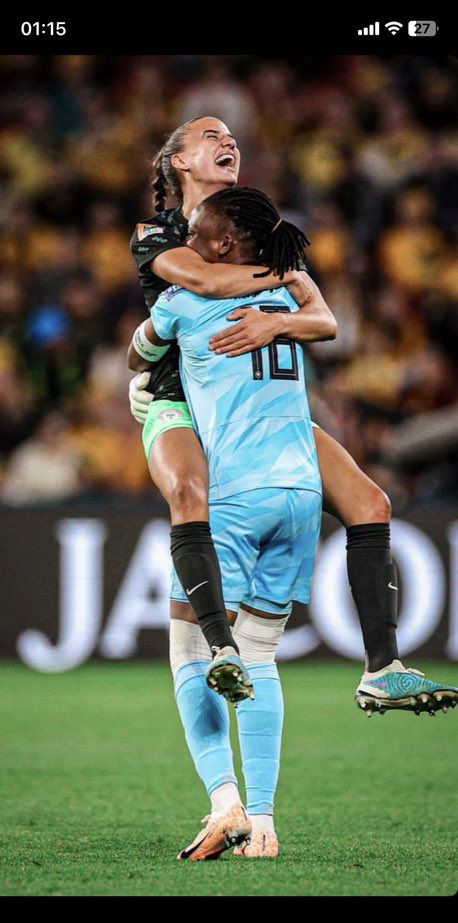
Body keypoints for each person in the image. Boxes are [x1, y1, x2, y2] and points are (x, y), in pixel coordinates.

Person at [129, 115, 453, 716]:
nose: (228, 141)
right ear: (179, 161)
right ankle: (215, 648)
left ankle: (382, 667)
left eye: (231, 135)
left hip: (261, 403)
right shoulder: (160, 232)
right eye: (210, 136)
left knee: (371, 503)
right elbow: (203, 279)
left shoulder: (254, 221)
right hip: (188, 398)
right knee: (190, 497)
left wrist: (280, 319)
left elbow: (324, 321)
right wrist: (291, 281)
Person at [139, 187, 324, 860]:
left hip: (236, 495)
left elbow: (139, 356)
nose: (185, 238)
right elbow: (327, 322)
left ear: (223, 244)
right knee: (264, 655)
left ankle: (226, 803)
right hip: (302, 492)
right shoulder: (289, 301)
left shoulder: (186, 299)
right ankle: (267, 824)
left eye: (195, 229)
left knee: (192, 650)